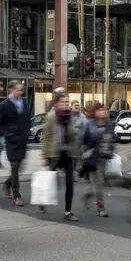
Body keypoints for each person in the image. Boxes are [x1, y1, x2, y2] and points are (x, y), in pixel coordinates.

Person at [41, 91, 80, 221]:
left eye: (67, 102)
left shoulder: (70, 117)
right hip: (54, 153)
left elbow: (74, 135)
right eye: (63, 102)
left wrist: (77, 151)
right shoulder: (51, 117)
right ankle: (43, 201)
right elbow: (46, 137)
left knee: (70, 182)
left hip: (67, 153)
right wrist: (45, 156)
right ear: (57, 103)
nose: (65, 104)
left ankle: (68, 212)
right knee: (50, 181)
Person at [80, 102, 115, 217]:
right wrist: (85, 153)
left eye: (104, 110)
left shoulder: (109, 124)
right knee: (99, 183)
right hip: (92, 158)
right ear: (94, 112)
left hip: (104, 157)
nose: (103, 112)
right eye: (100, 110)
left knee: (100, 183)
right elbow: (83, 140)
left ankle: (89, 193)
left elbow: (113, 139)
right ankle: (101, 207)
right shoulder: (89, 125)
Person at [0, 80, 30, 206]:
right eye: (18, 89)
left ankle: (8, 183)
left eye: (21, 89)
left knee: (20, 167)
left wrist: (27, 131)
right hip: (12, 142)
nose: (21, 92)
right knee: (15, 166)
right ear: (11, 90)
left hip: (22, 140)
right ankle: (17, 195)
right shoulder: (4, 105)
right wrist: (9, 133)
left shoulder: (25, 103)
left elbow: (27, 119)